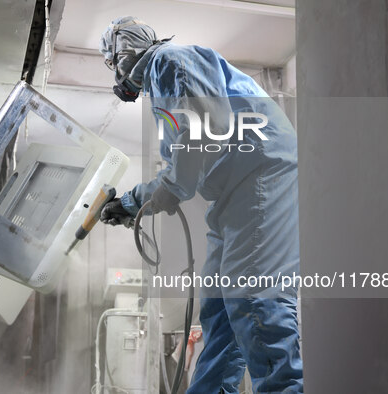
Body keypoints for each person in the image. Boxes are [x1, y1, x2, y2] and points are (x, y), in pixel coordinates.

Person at [98, 16, 303, 394]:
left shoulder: (170, 61)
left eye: (112, 62)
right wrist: (131, 203)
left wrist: (166, 191)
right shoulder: (165, 80)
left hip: (260, 174)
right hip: (233, 191)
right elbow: (185, 155)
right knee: (221, 311)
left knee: (252, 296)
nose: (116, 74)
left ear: (123, 51)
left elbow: (201, 132)